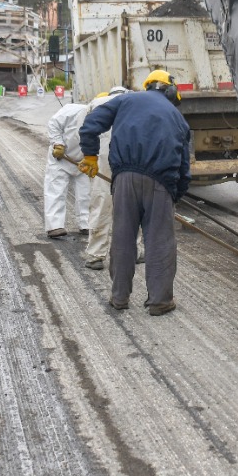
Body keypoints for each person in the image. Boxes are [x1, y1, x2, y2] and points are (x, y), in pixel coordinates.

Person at [78, 70, 191, 316]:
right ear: (171, 91)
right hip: (161, 182)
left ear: (149, 85)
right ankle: (160, 301)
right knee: (159, 241)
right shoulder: (177, 118)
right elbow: (184, 166)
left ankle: (119, 297)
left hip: (124, 179)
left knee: (122, 237)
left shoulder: (124, 100)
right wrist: (176, 193)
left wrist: (90, 155)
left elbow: (89, 126)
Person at [82, 85, 129, 270]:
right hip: (129, 159)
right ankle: (135, 251)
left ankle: (95, 255)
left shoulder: (96, 103)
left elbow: (85, 130)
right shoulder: (133, 102)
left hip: (102, 161)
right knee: (133, 206)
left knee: (101, 205)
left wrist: (88, 157)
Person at [44, 100, 90, 238]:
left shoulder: (107, 121)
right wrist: (57, 143)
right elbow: (53, 124)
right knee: (55, 190)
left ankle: (86, 224)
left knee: (87, 193)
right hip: (61, 157)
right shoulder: (72, 110)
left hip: (84, 160)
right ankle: (54, 226)